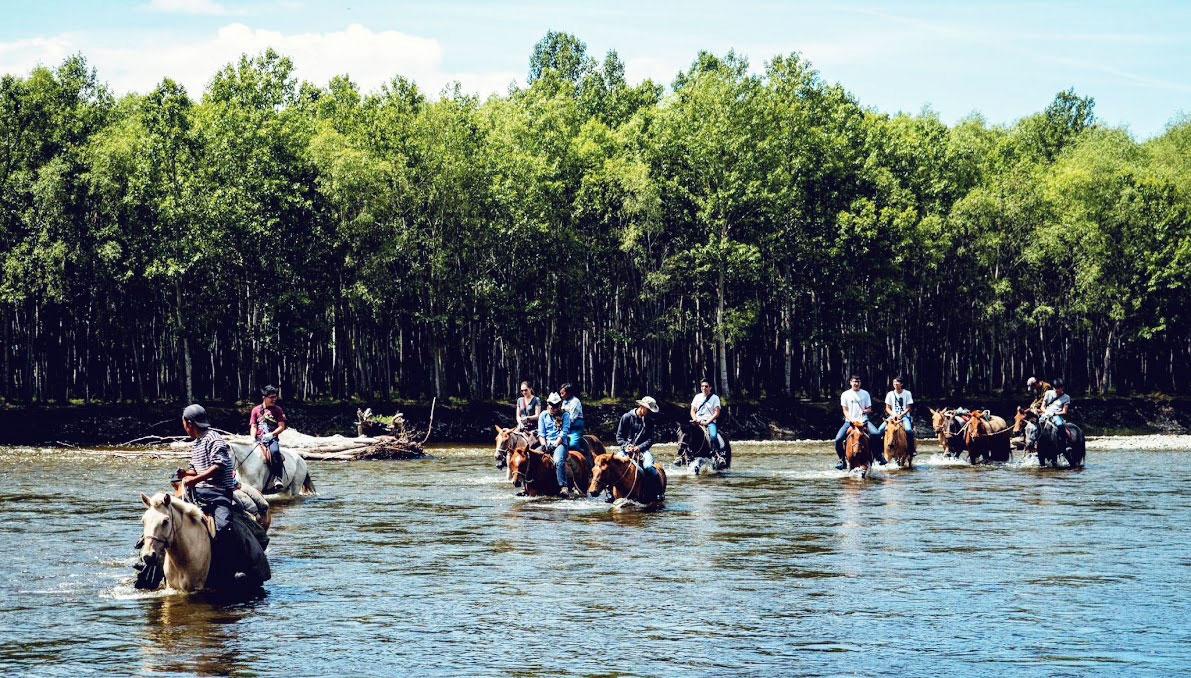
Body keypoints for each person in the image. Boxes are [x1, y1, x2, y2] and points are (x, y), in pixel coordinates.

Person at [176, 404, 237, 539]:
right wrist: (185, 473)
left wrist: (195, 480)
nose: (184, 427)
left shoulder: (214, 439)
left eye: (184, 423)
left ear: (190, 424)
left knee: (224, 528)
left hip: (218, 493)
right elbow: (194, 470)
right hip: (199, 492)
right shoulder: (197, 443)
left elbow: (218, 466)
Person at [833, 375, 884, 470]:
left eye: (858, 382)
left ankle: (878, 456)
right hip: (850, 422)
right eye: (854, 381)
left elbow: (869, 409)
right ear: (850, 382)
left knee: (876, 434)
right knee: (838, 439)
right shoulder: (845, 394)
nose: (856, 383)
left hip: (864, 421)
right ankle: (841, 460)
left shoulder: (865, 394)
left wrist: (865, 411)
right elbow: (845, 410)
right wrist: (851, 419)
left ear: (860, 383)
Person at [248, 385, 287, 483]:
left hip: (271, 439)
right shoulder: (256, 410)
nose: (274, 399)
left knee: (274, 451)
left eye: (275, 397)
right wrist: (252, 437)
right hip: (258, 439)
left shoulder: (278, 410)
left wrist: (272, 434)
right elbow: (253, 426)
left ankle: (278, 478)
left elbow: (282, 426)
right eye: (271, 397)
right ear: (264, 398)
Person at [616, 396, 660, 483]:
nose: (648, 412)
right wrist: (626, 446)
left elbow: (650, 440)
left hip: (643, 451)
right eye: (648, 409)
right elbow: (619, 436)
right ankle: (609, 491)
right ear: (641, 406)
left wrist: (639, 447)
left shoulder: (650, 421)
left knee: (648, 467)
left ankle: (658, 490)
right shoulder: (626, 417)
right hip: (626, 450)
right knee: (612, 464)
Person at [537, 392, 572, 493]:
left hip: (559, 444)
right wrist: (544, 445)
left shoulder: (565, 415)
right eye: (552, 405)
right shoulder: (543, 415)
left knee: (558, 461)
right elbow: (541, 433)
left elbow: (564, 432)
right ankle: (526, 486)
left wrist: (555, 445)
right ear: (548, 404)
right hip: (546, 443)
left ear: (560, 405)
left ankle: (563, 486)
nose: (554, 408)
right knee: (530, 457)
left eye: (556, 406)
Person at [876, 376, 915, 456]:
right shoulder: (890, 394)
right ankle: (879, 451)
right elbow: (887, 408)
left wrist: (901, 415)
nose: (895, 385)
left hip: (904, 416)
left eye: (897, 383)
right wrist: (893, 414)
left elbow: (908, 407)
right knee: (879, 430)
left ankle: (911, 450)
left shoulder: (907, 393)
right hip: (892, 417)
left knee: (908, 430)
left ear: (901, 384)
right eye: (894, 383)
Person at [690, 379, 723, 459]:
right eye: (702, 386)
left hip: (710, 421)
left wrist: (707, 422)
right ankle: (683, 455)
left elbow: (716, 413)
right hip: (697, 421)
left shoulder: (715, 398)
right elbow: (692, 410)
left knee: (713, 436)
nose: (704, 388)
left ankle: (718, 454)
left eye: (706, 386)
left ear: (710, 387)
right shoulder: (697, 397)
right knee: (685, 433)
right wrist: (695, 419)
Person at [559, 383, 585, 454]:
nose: (561, 395)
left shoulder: (575, 401)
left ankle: (583, 454)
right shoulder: (564, 401)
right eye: (560, 393)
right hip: (565, 426)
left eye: (562, 393)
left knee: (572, 444)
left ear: (569, 393)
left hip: (575, 427)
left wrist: (562, 425)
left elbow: (572, 418)